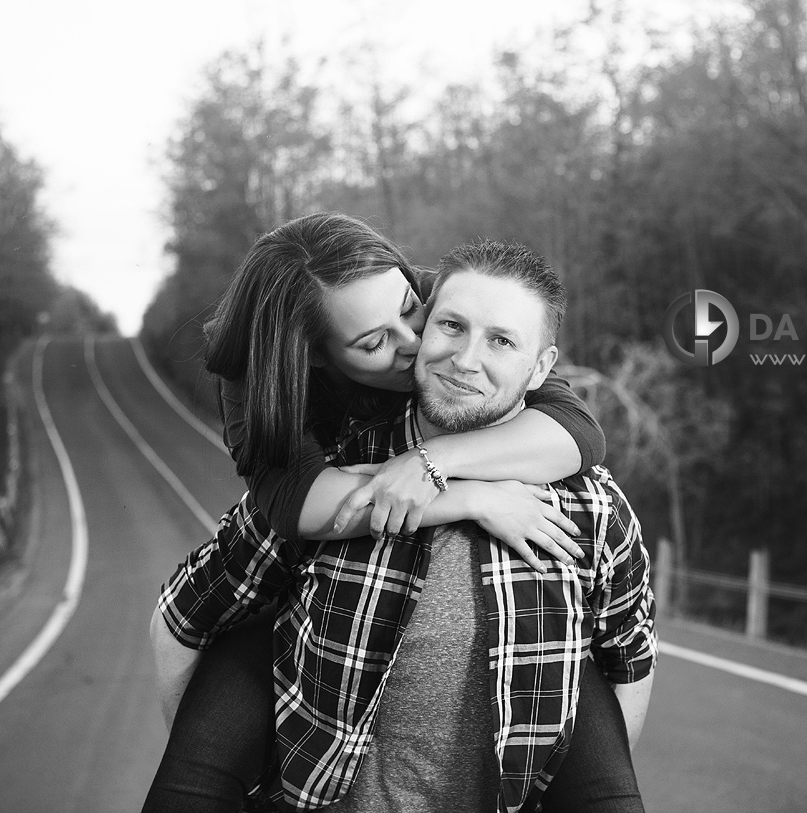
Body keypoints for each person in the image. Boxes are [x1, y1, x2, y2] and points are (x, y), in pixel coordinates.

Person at [143, 214, 640, 811]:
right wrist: (466, 495)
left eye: (415, 312)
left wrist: (431, 461)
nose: (425, 347)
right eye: (375, 341)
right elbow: (282, 516)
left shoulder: (584, 497)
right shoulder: (286, 412)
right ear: (315, 359)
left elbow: (578, 431)